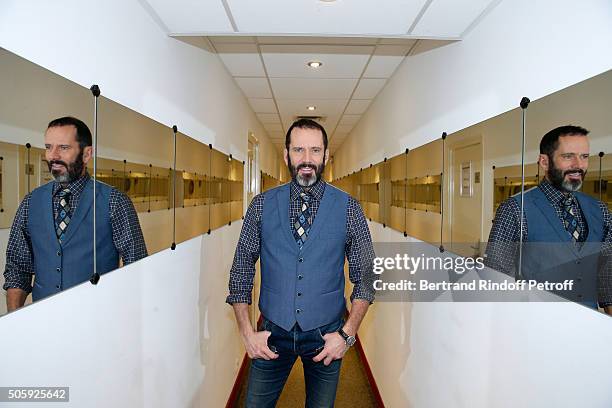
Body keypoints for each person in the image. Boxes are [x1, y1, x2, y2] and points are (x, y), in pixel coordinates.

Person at [226, 118, 375, 406]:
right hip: (271, 334)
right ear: (286, 155)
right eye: (298, 150)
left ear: (326, 155)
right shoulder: (261, 205)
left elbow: (367, 276)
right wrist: (246, 332)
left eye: (315, 151)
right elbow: (242, 268)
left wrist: (347, 335)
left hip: (326, 335)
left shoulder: (349, 208)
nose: (307, 160)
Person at [3, 116, 148, 312]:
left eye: (63, 148)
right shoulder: (30, 202)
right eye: (48, 147)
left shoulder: (115, 201)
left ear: (86, 154)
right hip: (44, 321)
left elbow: (136, 267)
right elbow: (17, 267)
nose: (53, 156)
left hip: (97, 321)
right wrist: (15, 320)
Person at [485, 125, 611, 314]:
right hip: (535, 326)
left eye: (584, 156)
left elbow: (607, 272)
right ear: (544, 162)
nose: (578, 165)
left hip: (587, 326)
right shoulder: (514, 209)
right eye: (568, 156)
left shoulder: (599, 209)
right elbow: (494, 278)